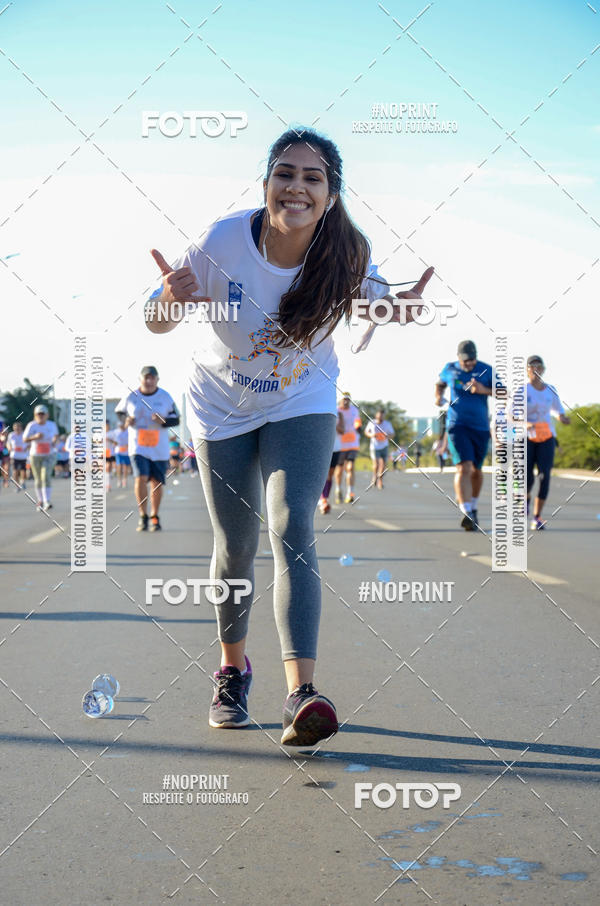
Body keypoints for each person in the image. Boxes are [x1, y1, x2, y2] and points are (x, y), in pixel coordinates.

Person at [145, 127, 433, 746]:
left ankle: (302, 693)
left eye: (313, 178)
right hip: (220, 405)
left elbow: (374, 304)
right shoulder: (226, 238)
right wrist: (167, 299)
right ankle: (231, 670)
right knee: (237, 544)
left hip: (300, 399)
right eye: (285, 172)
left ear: (330, 196)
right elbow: (157, 319)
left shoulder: (347, 254)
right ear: (267, 182)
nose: (296, 186)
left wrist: (398, 307)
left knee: (292, 523)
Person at [435, 340, 493, 531]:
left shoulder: (486, 370)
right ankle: (466, 511)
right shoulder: (450, 369)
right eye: (466, 361)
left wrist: (483, 390)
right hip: (457, 425)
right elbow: (440, 383)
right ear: (459, 358)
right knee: (463, 468)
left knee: (476, 470)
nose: (470, 364)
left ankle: (473, 507)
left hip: (481, 426)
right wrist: (438, 397)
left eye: (473, 360)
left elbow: (504, 392)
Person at [115, 367, 180, 531]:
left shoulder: (165, 397)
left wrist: (163, 421)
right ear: (140, 379)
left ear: (157, 379)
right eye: (146, 378)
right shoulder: (131, 396)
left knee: (156, 483)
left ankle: (154, 515)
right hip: (138, 446)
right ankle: (142, 515)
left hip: (159, 447)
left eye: (152, 378)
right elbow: (119, 412)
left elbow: (176, 419)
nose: (149, 381)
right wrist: (126, 420)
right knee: (140, 478)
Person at [524, 355, 570, 530]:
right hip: (527, 438)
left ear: (543, 369)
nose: (536, 370)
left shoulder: (551, 390)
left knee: (545, 477)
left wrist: (563, 418)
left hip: (547, 437)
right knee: (527, 478)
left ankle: (537, 517)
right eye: (532, 367)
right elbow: (510, 416)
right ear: (527, 370)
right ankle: (525, 501)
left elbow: (558, 411)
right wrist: (525, 423)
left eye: (539, 367)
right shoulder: (522, 391)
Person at [23, 404, 59, 510]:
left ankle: (47, 501)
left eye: (43, 414)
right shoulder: (32, 425)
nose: (41, 416)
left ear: (47, 415)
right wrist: (35, 437)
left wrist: (54, 441)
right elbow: (25, 439)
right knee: (38, 479)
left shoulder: (52, 425)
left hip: (49, 454)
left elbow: (56, 436)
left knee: (45, 476)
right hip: (35, 455)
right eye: (39, 414)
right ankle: (41, 501)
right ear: (35, 415)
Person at [333, 392, 362, 503]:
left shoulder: (354, 410)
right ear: (340, 400)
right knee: (339, 469)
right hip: (340, 444)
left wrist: (358, 426)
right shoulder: (336, 411)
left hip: (353, 443)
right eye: (344, 399)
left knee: (350, 467)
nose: (346, 401)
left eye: (348, 400)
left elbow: (357, 421)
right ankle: (338, 489)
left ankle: (350, 492)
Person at [317, 410, 344, 514]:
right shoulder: (320, 409)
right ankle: (322, 500)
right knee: (322, 475)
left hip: (336, 448)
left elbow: (343, 430)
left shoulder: (339, 413)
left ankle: (325, 498)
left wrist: (333, 424)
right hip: (322, 448)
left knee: (329, 476)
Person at [364, 408, 394, 490]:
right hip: (375, 446)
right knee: (376, 464)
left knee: (383, 465)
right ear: (376, 415)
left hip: (384, 446)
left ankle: (380, 480)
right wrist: (371, 435)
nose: (380, 417)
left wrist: (388, 436)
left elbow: (392, 433)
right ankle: (374, 477)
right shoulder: (372, 423)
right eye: (379, 415)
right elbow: (366, 432)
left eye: (382, 415)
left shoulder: (387, 424)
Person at [109, 420, 131, 488]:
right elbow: (111, 439)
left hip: (127, 451)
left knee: (125, 466)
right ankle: (119, 480)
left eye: (122, 426)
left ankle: (124, 480)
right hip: (118, 451)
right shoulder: (115, 432)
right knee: (119, 465)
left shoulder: (128, 431)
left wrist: (129, 445)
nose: (121, 427)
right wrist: (114, 443)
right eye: (119, 426)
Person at [7, 421, 28, 489]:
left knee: (23, 471)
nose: (17, 429)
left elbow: (29, 444)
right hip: (14, 455)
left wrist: (26, 448)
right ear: (13, 428)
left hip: (23, 456)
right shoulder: (11, 435)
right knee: (15, 471)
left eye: (18, 427)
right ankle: (17, 485)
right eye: (15, 427)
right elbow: (8, 443)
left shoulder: (25, 434)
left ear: (21, 428)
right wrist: (9, 447)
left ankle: (23, 482)